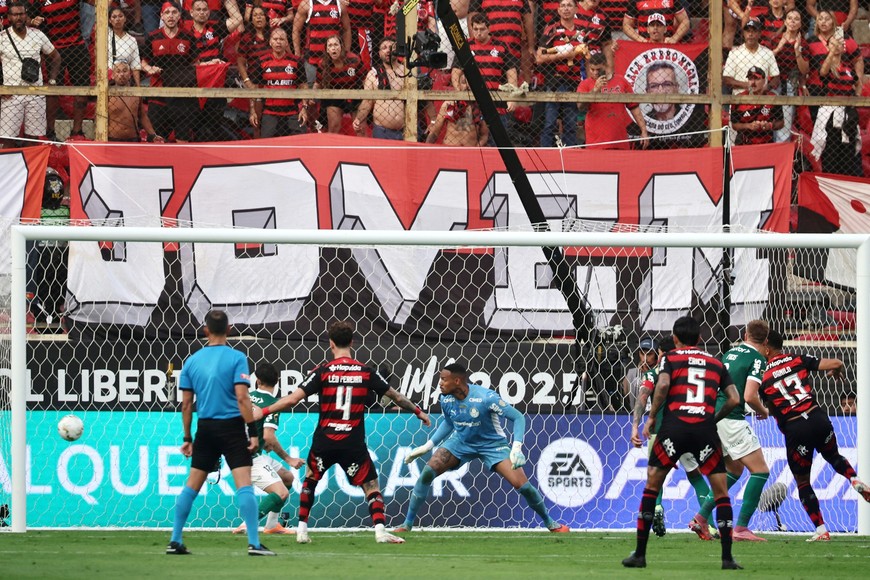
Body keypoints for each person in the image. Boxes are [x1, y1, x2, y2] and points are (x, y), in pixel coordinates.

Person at [252, 320, 431, 544]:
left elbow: (293, 399)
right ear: (352, 342)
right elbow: (396, 396)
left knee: (310, 480)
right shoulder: (365, 372)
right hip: (352, 442)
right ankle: (380, 531)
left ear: (331, 343)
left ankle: (302, 531)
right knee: (371, 486)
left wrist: (265, 410)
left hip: (324, 440)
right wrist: (418, 411)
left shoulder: (323, 371)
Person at [622, 316, 742, 569]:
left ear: (674, 340)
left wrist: (652, 417)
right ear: (700, 339)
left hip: (674, 427)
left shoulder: (670, 359)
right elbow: (734, 398)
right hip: (704, 430)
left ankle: (640, 554)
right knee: (720, 492)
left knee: (653, 484)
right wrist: (712, 418)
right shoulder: (715, 362)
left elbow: (662, 384)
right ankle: (727, 558)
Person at [395, 362, 569, 533]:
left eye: (443, 379)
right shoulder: (445, 398)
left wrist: (516, 448)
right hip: (461, 442)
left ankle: (550, 523)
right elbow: (449, 422)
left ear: (457, 381)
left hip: (492, 445)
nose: (439, 383)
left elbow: (517, 417)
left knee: (523, 486)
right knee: (427, 473)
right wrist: (428, 445)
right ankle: (407, 524)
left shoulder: (486, 397)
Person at [167, 310, 276, 556]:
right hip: (232, 428)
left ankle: (175, 539)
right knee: (244, 485)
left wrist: (187, 437)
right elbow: (242, 397)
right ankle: (254, 543)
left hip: (205, 428)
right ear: (229, 330)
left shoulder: (192, 361)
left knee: (191, 486)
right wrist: (252, 432)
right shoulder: (237, 358)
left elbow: (186, 404)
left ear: (205, 331)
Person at [759, 329, 870, 542]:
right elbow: (836, 363)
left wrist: (785, 429)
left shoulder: (764, 377)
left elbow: (773, 410)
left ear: (766, 347)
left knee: (802, 481)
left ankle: (821, 529)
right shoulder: (797, 359)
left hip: (796, 427)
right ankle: (854, 479)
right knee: (834, 456)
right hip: (818, 418)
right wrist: (836, 372)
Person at [688, 320, 772, 543]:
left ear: (745, 335)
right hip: (732, 419)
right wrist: (763, 410)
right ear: (765, 341)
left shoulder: (729, 353)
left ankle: (701, 517)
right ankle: (742, 527)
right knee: (761, 471)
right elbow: (749, 396)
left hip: (714, 415)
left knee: (734, 470)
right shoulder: (758, 358)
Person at [629, 336, 718, 540]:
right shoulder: (686, 373)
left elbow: (643, 396)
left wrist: (636, 426)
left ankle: (658, 506)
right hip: (688, 429)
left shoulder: (654, 374)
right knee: (696, 477)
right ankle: (710, 525)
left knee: (655, 475)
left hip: (660, 432)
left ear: (661, 353)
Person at [233, 362, 305, 535]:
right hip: (250, 457)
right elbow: (268, 436)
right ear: (277, 381)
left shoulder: (247, 396)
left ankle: (272, 525)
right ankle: (247, 523)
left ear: (257, 381)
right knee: (281, 493)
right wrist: (289, 459)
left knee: (287, 478)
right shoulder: (272, 404)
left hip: (240, 451)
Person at [0, 2, 60, 148]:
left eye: (21, 14)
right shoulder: (2, 37)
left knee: (33, 138)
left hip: (35, 92)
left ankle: (32, 169)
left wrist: (52, 80)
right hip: (12, 93)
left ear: (26, 15)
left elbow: (56, 57)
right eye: (15, 14)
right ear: (9, 17)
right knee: (8, 138)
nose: (18, 17)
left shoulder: (38, 35)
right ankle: (7, 169)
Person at [141, 1, 201, 142]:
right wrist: (150, 69)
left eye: (174, 12)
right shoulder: (153, 36)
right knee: (156, 141)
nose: (171, 16)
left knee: (182, 140)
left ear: (180, 15)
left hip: (181, 96)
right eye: (167, 12)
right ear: (161, 16)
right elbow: (143, 62)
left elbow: (195, 64)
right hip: (158, 94)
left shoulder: (188, 37)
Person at [31, 0, 91, 139]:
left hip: (77, 46)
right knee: (52, 90)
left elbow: (98, 4)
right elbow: (29, 17)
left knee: (82, 89)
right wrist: (33, 20)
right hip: (54, 50)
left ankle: (77, 132)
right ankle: (50, 131)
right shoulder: (39, 1)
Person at [536, 0, 587, 148]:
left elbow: (587, 57)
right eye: (563, 6)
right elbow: (539, 57)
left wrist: (587, 81)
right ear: (558, 10)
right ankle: (546, 154)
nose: (566, 9)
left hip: (574, 82)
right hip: (554, 82)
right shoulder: (551, 30)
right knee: (549, 123)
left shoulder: (582, 33)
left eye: (569, 5)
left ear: (576, 9)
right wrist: (563, 55)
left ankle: (570, 155)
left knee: (571, 125)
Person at [577, 52, 648, 149]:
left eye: (598, 69)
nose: (595, 73)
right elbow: (580, 106)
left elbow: (634, 106)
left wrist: (643, 130)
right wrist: (595, 90)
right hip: (596, 140)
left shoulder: (621, 81)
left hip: (619, 138)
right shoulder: (585, 84)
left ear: (605, 66)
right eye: (592, 69)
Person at [250, 27, 309, 138]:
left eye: (282, 39)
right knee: (267, 146)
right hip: (270, 113)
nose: (278, 42)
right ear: (270, 42)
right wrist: (252, 110)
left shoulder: (297, 61)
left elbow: (303, 86)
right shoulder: (262, 62)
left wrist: (304, 109)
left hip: (293, 112)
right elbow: (254, 88)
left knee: (300, 142)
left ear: (287, 43)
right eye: (275, 39)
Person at [353, 37, 405, 140]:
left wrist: (433, 120)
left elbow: (422, 101)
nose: (388, 50)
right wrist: (358, 119)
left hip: (405, 130)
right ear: (379, 53)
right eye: (384, 48)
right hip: (382, 131)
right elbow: (367, 101)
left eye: (391, 47)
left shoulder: (407, 72)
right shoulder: (373, 74)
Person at [314, 35, 364, 135]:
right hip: (334, 95)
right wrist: (312, 97)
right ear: (327, 50)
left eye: (336, 44)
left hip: (354, 93)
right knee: (333, 128)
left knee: (360, 129)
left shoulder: (354, 59)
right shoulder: (323, 64)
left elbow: (364, 79)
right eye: (330, 46)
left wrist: (367, 99)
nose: (333, 48)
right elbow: (318, 83)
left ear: (341, 47)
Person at [293, 0, 350, 85]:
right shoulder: (306, 4)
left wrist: (346, 52)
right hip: (312, 59)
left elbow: (347, 29)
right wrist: (297, 54)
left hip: (333, 60)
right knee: (312, 92)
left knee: (334, 91)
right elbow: (296, 30)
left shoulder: (340, 4)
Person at [427, 71, 489, 146]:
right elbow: (435, 132)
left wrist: (477, 148)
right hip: (450, 150)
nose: (467, 86)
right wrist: (425, 150)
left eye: (471, 83)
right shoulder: (449, 104)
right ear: (458, 85)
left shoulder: (481, 107)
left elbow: (484, 135)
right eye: (464, 82)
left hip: (470, 152)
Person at [108, 60, 163, 142]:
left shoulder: (136, 94)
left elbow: (142, 116)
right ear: (112, 75)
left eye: (124, 71)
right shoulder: (107, 95)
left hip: (133, 138)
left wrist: (152, 134)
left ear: (130, 74)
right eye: (118, 71)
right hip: (113, 139)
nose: (121, 74)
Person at [723, 18, 780, 95]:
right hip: (740, 99)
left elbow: (776, 77)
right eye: (748, 31)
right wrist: (749, 85)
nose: (750, 34)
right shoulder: (734, 53)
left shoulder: (768, 53)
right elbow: (727, 79)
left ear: (759, 34)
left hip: (762, 98)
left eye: (754, 31)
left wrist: (767, 87)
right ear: (743, 33)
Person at [730, 66, 783, 145]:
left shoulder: (772, 98)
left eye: (757, 79)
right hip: (744, 142)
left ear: (764, 81)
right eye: (750, 79)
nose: (753, 83)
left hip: (766, 142)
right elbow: (734, 125)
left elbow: (781, 122)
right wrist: (748, 126)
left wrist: (770, 125)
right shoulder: (739, 98)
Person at [622, 0, 690, 44]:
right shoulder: (636, 1)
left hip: (667, 44)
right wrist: (641, 39)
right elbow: (626, 25)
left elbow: (685, 21)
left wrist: (674, 38)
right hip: (644, 45)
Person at [107, 6, 143, 86]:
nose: (117, 19)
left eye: (120, 16)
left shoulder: (131, 40)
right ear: (109, 20)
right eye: (114, 17)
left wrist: (138, 87)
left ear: (125, 19)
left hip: (125, 77)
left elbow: (135, 65)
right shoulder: (105, 38)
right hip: (109, 79)